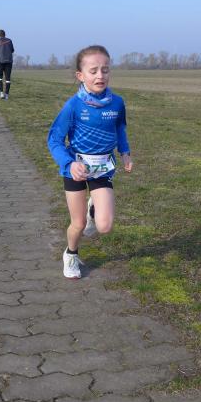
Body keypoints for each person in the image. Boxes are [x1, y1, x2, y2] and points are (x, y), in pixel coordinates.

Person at [47, 45, 133, 279]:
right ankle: (71, 254)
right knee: (78, 224)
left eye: (105, 70)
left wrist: (125, 152)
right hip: (76, 169)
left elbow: (120, 128)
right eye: (93, 71)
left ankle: (93, 208)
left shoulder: (117, 103)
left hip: (102, 169)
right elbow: (54, 140)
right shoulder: (73, 106)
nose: (100, 76)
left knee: (104, 226)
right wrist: (69, 164)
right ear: (80, 75)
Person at [0, 29, 14, 99]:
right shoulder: (9, 40)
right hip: (9, 61)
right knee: (8, 79)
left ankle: (1, 93)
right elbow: (12, 50)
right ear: (5, 34)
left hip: (0, 61)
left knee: (0, 78)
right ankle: (6, 94)